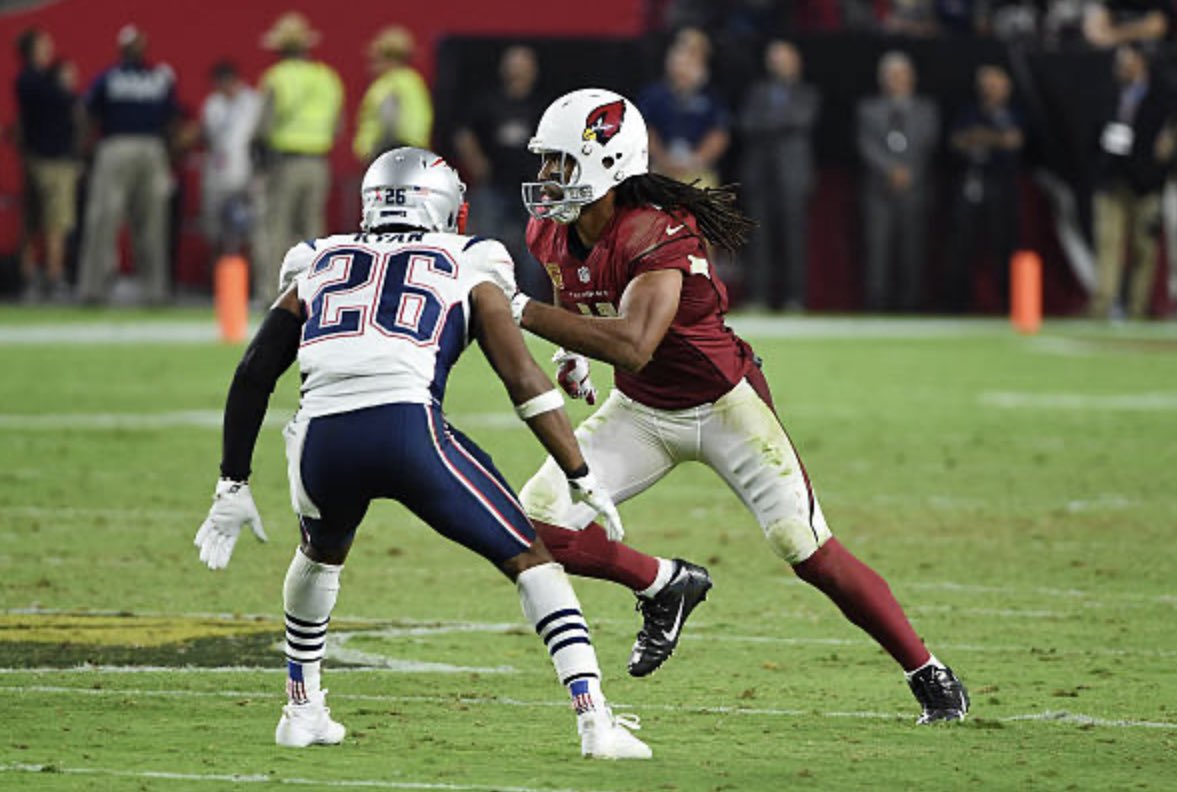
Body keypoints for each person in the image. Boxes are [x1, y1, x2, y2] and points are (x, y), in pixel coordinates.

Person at [511, 87, 969, 723]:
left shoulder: (653, 230)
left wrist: (520, 312)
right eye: (545, 162)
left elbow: (637, 344)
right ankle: (664, 583)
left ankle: (928, 671)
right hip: (641, 412)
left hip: (723, 404)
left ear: (607, 164)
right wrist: (572, 352)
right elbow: (575, 290)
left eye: (559, 163)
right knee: (534, 524)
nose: (545, 178)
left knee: (804, 546)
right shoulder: (550, 230)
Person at [192, 147, 651, 760]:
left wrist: (232, 482)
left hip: (322, 441)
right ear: (441, 205)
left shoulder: (317, 257)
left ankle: (301, 709)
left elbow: (253, 373)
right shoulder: (471, 258)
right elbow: (522, 381)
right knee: (533, 561)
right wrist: (579, 470)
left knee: (320, 554)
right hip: (409, 431)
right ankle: (597, 722)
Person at [76, 24, 178, 306]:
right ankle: (93, 289)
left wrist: (169, 153)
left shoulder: (158, 77)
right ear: (122, 48)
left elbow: (172, 119)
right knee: (103, 220)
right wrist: (87, 148)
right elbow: (87, 112)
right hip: (116, 144)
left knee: (152, 223)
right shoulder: (109, 77)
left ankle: (155, 290)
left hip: (149, 147)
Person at [255, 11, 343, 305]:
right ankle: (314, 295)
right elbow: (338, 124)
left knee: (277, 230)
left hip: (285, 162)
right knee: (312, 233)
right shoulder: (327, 77)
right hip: (318, 162)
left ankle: (274, 295)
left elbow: (263, 126)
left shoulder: (277, 77)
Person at [1088, 44, 1174, 319]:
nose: (1121, 69)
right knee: (1107, 243)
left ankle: (1137, 309)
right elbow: (1093, 134)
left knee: (1143, 249)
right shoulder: (1108, 93)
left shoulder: (1163, 97)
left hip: (1146, 183)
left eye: (1127, 63)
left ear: (1141, 63)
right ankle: (1102, 306)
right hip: (1112, 179)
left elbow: (1166, 145)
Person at [452, 45, 545, 296]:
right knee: (487, 250)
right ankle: (485, 304)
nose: (518, 72)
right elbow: (463, 134)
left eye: (523, 66)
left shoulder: (541, 107)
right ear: (504, 70)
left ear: (533, 71)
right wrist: (477, 162)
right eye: (514, 66)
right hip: (494, 188)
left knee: (533, 255)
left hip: (531, 192)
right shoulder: (488, 103)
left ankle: (531, 312)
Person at [737, 39, 820, 311]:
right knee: (759, 240)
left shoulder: (807, 92)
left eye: (783, 58)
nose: (778, 63)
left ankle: (794, 298)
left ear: (795, 61)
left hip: (793, 175)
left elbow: (802, 120)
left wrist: (768, 122)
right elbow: (746, 122)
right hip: (760, 174)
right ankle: (759, 297)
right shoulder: (757, 91)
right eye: (774, 58)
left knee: (793, 239)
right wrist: (777, 122)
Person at [856, 51, 940, 312]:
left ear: (911, 78)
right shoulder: (868, 109)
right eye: (891, 75)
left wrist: (908, 172)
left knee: (912, 251)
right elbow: (865, 145)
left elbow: (928, 144)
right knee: (877, 251)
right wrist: (890, 170)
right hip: (878, 190)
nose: (897, 80)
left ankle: (910, 304)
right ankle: (876, 305)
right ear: (882, 79)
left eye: (902, 75)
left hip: (915, 188)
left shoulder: (927, 109)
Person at [944, 64, 1024, 313]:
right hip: (971, 182)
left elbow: (1014, 141)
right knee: (961, 247)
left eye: (994, 84)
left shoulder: (1015, 113)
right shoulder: (969, 111)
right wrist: (993, 139)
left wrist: (981, 137)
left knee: (1003, 246)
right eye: (985, 84)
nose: (989, 90)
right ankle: (958, 305)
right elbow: (956, 141)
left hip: (1002, 186)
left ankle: (1008, 305)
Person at [13, 27, 82, 303]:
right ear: (32, 49)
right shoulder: (34, 81)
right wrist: (64, 85)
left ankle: (31, 276)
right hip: (50, 161)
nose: (49, 49)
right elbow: (65, 103)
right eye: (44, 45)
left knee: (35, 221)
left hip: (42, 159)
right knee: (55, 222)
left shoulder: (39, 80)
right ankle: (52, 277)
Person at [638, 36, 730, 188]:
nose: (683, 69)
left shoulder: (712, 97)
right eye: (678, 62)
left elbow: (719, 134)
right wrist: (663, 159)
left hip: (698, 170)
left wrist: (696, 160)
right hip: (661, 170)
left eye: (689, 63)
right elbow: (646, 131)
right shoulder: (653, 95)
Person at [200, 61, 262, 257]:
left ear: (234, 80)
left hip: (248, 174)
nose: (222, 88)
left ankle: (249, 277)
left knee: (252, 230)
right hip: (218, 176)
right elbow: (209, 138)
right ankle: (218, 276)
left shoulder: (253, 102)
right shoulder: (212, 104)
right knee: (216, 229)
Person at [352, 26, 433, 163]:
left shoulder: (388, 85)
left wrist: (378, 152)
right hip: (414, 154)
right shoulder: (413, 82)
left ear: (389, 58)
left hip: (389, 154)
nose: (370, 66)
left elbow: (389, 121)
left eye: (375, 60)